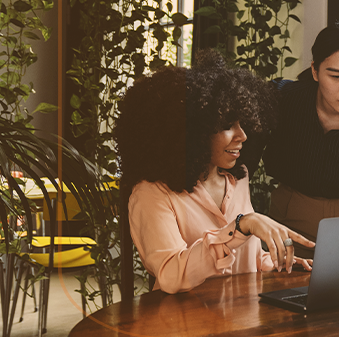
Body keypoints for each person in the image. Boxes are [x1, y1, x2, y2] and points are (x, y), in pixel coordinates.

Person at [115, 51, 314, 295]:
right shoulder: (151, 194)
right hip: (186, 317)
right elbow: (171, 274)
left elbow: (247, 257)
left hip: (243, 313)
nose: (242, 136)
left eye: (242, 123)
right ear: (191, 132)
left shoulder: (238, 178)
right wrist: (240, 227)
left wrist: (275, 263)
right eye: (227, 126)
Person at [245, 21, 339, 257]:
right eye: (336, 76)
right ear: (315, 71)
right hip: (286, 220)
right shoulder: (282, 100)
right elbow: (242, 168)